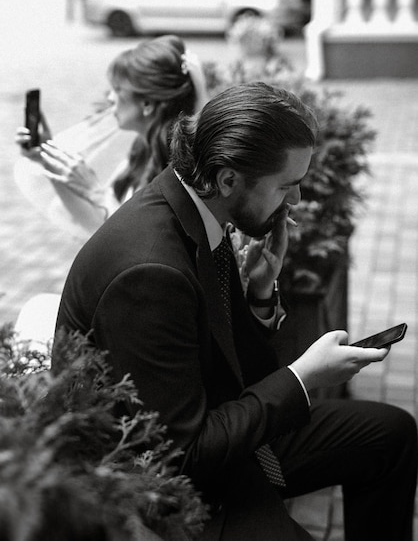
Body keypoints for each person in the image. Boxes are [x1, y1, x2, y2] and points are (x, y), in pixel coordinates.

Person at [53, 82, 417, 540]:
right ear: (228, 179)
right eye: (287, 186)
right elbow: (183, 457)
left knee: (390, 433)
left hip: (219, 431)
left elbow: (238, 369)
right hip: (161, 487)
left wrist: (261, 294)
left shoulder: (198, 208)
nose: (296, 201)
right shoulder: (149, 272)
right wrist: (304, 379)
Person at [15, 34, 208, 238]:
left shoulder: (178, 170)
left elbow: (139, 237)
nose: (110, 98)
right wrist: (48, 158)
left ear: (147, 104)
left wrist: (96, 193)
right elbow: (97, 225)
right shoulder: (141, 149)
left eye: (118, 90)